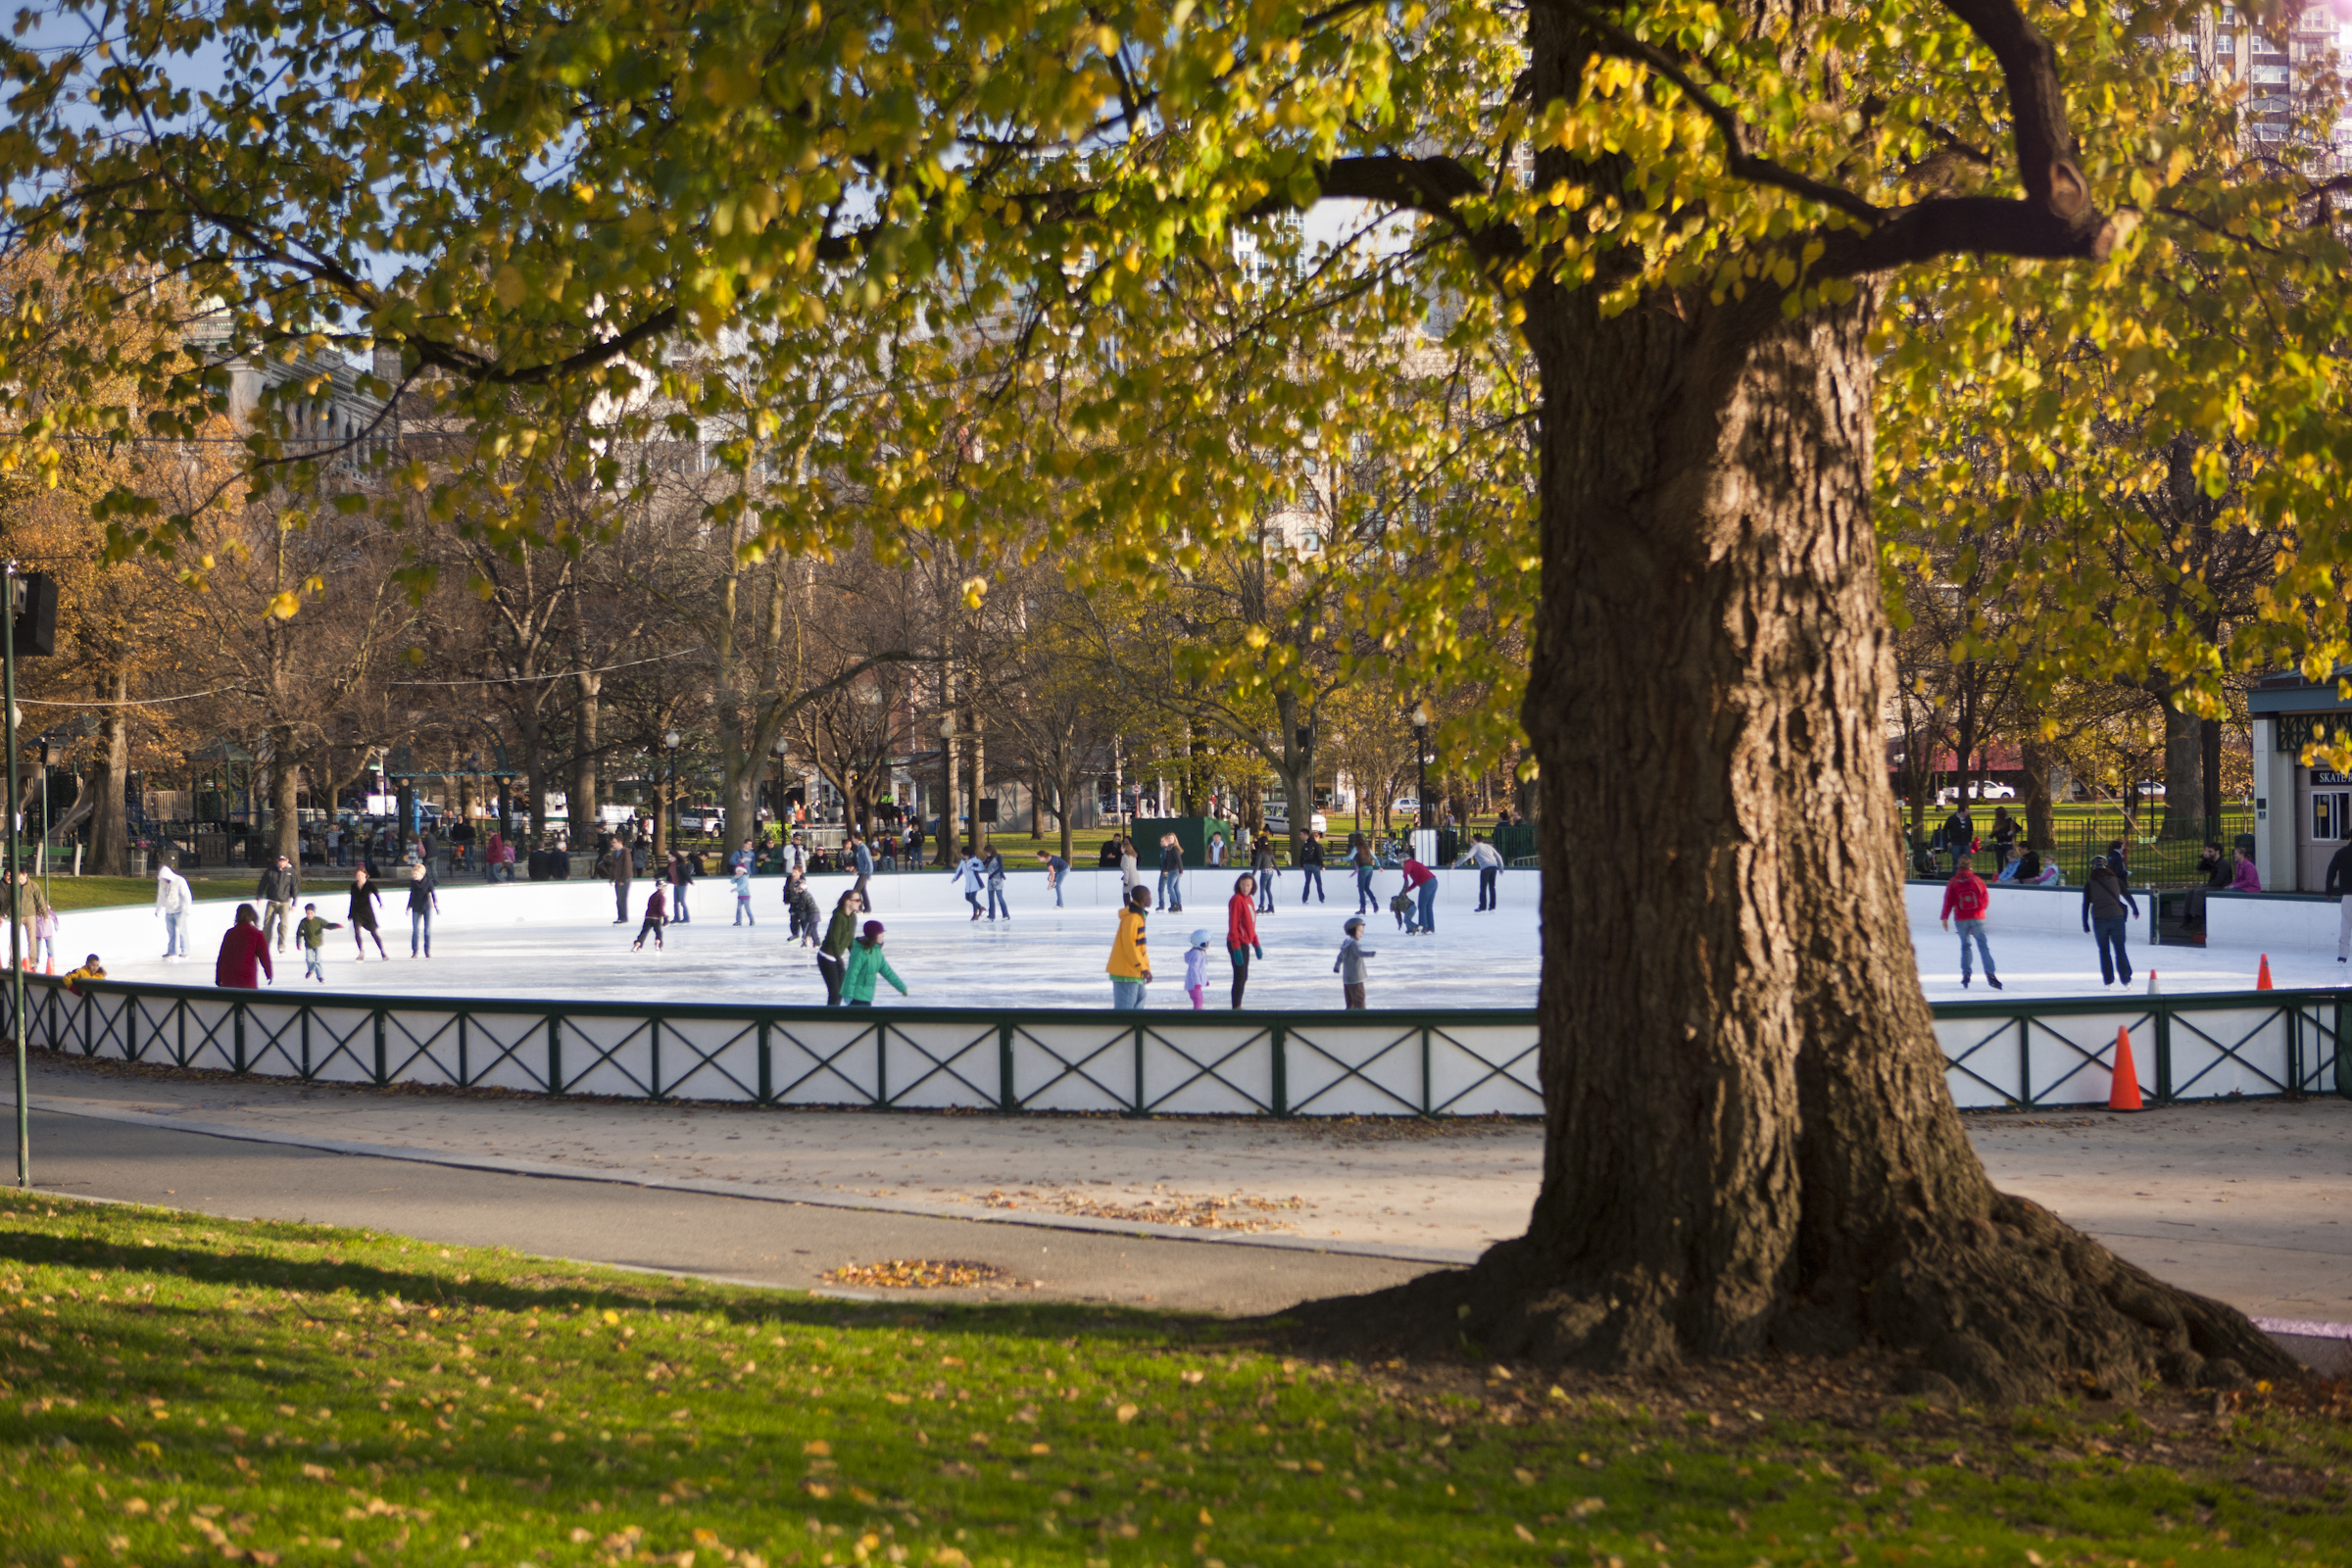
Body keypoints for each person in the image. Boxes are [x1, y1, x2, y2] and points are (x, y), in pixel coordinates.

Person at [1938, 854, 2001, 991]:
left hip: (1961, 918)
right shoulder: (1977, 880)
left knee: (1965, 946)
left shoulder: (1953, 882)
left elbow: (1947, 901)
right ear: (1970, 866)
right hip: (1977, 916)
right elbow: (1985, 899)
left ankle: (1966, 974)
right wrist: (1979, 911)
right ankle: (1990, 974)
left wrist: (1944, 917)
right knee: (1983, 946)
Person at [2082, 855, 2139, 988]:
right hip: (2117, 917)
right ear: (2107, 866)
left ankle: (2108, 981)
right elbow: (2127, 895)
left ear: (2092, 868)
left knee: (2104, 950)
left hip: (2099, 919)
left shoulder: (2090, 884)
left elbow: (2086, 904)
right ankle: (2126, 979)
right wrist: (2135, 909)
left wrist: (2085, 923)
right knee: (2120, 949)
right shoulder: (2115, 880)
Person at [1105, 884, 1152, 1010]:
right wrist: (1142, 967)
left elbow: (1140, 947)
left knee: (1141, 999)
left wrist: (1145, 968)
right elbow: (1129, 944)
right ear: (1143, 898)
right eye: (1149, 896)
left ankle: (1137, 1029)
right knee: (1125, 1011)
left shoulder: (1138, 917)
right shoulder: (1132, 918)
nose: (1151, 899)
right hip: (1126, 972)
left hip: (1134, 971)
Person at [842, 920, 908, 1006]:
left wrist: (902, 988)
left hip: (867, 997)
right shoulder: (860, 952)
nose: (883, 935)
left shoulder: (876, 952)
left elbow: (888, 972)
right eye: (880, 933)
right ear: (874, 935)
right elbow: (851, 974)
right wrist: (848, 993)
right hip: (856, 998)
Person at [818, 889, 862, 1004]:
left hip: (837, 958)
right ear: (848, 901)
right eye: (857, 900)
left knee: (840, 993)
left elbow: (850, 940)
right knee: (835, 992)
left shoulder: (853, 917)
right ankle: (829, 1020)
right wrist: (839, 961)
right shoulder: (838, 917)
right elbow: (834, 940)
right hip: (826, 958)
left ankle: (833, 1018)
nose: (860, 903)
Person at [214, 904, 273, 990]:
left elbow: (222, 957)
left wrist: (218, 977)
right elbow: (264, 956)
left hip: (228, 974)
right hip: (246, 974)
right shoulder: (257, 934)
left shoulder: (230, 933)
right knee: (247, 999)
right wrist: (269, 974)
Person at [1226, 873, 1263, 1008]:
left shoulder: (1249, 900)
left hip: (1245, 943)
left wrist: (1256, 943)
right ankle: (1236, 1007)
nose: (1245, 888)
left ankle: (1238, 1006)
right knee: (1240, 976)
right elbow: (1233, 925)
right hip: (1236, 942)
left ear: (1252, 886)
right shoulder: (1237, 899)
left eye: (1248, 885)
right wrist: (1236, 948)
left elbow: (1250, 925)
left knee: (1244, 976)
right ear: (1238, 885)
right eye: (1243, 885)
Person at [256, 853, 300, 952]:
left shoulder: (292, 872)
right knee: (267, 924)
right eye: (280, 861)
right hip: (272, 901)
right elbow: (263, 883)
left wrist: (294, 903)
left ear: (287, 861)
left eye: (284, 861)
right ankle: (265, 945)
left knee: (283, 925)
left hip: (284, 902)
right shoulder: (271, 871)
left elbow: (295, 888)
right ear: (278, 861)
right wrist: (259, 896)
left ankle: (281, 944)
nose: (282, 863)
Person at [152, 857, 193, 962]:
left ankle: (185, 951)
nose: (165, 880)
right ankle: (171, 951)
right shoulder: (162, 883)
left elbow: (187, 895)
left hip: (179, 911)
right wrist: (159, 909)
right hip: (169, 911)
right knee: (171, 932)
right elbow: (161, 897)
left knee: (182, 932)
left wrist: (188, 908)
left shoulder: (180, 881)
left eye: (166, 878)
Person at [1333, 917, 1377, 1008]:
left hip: (1347, 978)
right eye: (1360, 931)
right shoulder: (1354, 944)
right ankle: (1362, 1020)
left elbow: (1340, 956)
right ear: (1353, 930)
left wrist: (1337, 966)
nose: (1362, 933)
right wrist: (1371, 954)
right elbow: (1359, 953)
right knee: (1360, 1000)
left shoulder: (1346, 943)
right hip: (1356, 977)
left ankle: (1349, 1019)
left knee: (1350, 1002)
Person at [1454, 833, 1503, 911]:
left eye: (1472, 840)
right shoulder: (1488, 846)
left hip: (1486, 867)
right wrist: (1501, 868)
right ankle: (1492, 907)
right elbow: (1498, 856)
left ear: (1474, 839)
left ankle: (1482, 907)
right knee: (1492, 887)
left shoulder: (1476, 847)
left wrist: (1456, 864)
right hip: (1494, 866)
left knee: (1483, 887)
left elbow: (1467, 856)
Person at [295, 903, 342, 983]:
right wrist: (299, 943)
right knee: (309, 960)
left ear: (314, 913)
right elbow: (299, 934)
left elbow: (328, 925)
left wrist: (336, 925)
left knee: (318, 960)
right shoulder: (303, 922)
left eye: (311, 913)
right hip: (309, 944)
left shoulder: (318, 921)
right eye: (308, 913)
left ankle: (320, 976)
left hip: (318, 944)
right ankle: (311, 970)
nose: (309, 915)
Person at [347, 866, 387, 959]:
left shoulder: (370, 885)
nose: (360, 877)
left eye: (361, 875)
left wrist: (380, 903)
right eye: (358, 875)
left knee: (374, 932)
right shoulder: (354, 886)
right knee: (357, 931)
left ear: (366, 875)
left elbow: (376, 894)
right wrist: (350, 913)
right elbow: (352, 900)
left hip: (367, 911)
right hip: (357, 912)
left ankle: (382, 952)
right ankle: (361, 952)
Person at [407, 859, 440, 957]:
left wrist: (436, 903)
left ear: (422, 873)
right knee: (415, 931)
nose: (414, 875)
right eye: (413, 874)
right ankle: (415, 951)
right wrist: (408, 907)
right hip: (416, 908)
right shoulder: (413, 883)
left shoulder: (429, 882)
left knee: (427, 931)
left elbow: (433, 893)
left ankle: (427, 951)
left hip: (426, 908)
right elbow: (411, 895)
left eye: (415, 874)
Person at [1399, 853, 1438, 935]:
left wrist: (1405, 879)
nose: (1400, 864)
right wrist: (1407, 890)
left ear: (1404, 861)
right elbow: (1416, 882)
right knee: (1428, 906)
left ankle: (1423, 927)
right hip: (1433, 882)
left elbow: (1406, 871)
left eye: (1400, 862)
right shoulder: (1414, 864)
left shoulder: (1409, 863)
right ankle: (1430, 927)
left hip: (1427, 883)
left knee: (1422, 906)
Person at [598, 834, 633, 923]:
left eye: (614, 842)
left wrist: (623, 879)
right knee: (618, 899)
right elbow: (613, 866)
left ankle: (624, 918)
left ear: (620, 842)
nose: (612, 844)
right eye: (612, 842)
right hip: (618, 879)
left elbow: (627, 866)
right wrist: (612, 877)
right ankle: (620, 917)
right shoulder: (615, 853)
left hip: (624, 879)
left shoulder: (626, 852)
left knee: (622, 899)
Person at [951, 850, 986, 920]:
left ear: (968, 855)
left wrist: (973, 868)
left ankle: (975, 914)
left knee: (973, 898)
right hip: (969, 883)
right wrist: (955, 878)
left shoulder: (974, 860)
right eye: (963, 855)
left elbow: (981, 867)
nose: (963, 856)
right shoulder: (963, 862)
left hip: (975, 882)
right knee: (967, 897)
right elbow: (959, 870)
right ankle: (980, 907)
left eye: (965, 855)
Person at [631, 885, 668, 952]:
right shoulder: (662, 897)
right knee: (658, 932)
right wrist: (665, 917)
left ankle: (637, 944)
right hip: (656, 918)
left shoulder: (652, 896)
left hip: (648, 917)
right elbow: (660, 909)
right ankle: (658, 945)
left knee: (644, 932)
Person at [1155, 832, 1185, 912]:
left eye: (1171, 838)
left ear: (1174, 839)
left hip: (1174, 870)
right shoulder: (1169, 848)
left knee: (1170, 887)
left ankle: (1175, 904)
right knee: (1176, 888)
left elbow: (1179, 860)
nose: (1170, 840)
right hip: (1173, 870)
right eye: (1168, 838)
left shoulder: (1174, 848)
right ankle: (1179, 905)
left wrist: (1181, 870)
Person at [1183, 929, 1211, 1009]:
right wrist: (1197, 983)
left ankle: (1197, 1017)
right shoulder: (1197, 954)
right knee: (1198, 1001)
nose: (1210, 943)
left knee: (1200, 1001)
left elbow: (1200, 970)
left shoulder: (1198, 953)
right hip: (1194, 984)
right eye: (1209, 942)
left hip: (1195, 984)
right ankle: (1196, 1018)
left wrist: (1205, 980)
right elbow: (1194, 969)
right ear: (1202, 942)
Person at [1350, 833, 1378, 914]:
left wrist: (1340, 859)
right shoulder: (1367, 848)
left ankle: (1363, 908)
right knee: (1366, 888)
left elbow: (1350, 857)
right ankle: (1374, 903)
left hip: (1363, 869)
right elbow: (1374, 857)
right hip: (1370, 869)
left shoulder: (1356, 848)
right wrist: (1379, 866)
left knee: (1361, 889)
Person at [666, 848, 696, 924]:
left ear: (675, 856)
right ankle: (676, 918)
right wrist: (656, 876)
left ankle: (686, 918)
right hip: (676, 885)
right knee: (675, 902)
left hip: (682, 885)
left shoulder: (680, 864)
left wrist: (690, 881)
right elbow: (665, 871)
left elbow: (685, 874)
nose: (669, 858)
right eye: (669, 857)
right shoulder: (670, 864)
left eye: (671, 857)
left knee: (682, 902)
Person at [1251, 834, 1277, 914]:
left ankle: (1262, 906)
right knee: (1268, 890)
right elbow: (1274, 862)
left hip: (1265, 872)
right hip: (1271, 872)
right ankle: (1271, 906)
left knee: (1262, 890)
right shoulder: (1270, 851)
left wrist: (1253, 874)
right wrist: (1279, 872)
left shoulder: (1261, 851)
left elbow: (1257, 863)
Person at [1299, 830, 1326, 905]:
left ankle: (1305, 898)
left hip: (1306, 865)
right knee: (1318, 882)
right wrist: (1322, 865)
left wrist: (1301, 865)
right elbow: (1319, 857)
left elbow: (1301, 856)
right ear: (1316, 837)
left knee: (1307, 882)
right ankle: (1321, 898)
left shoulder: (1305, 845)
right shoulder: (1317, 845)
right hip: (1315, 865)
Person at [984, 846, 1010, 921]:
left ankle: (1006, 915)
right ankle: (991, 916)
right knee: (990, 899)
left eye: (986, 852)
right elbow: (984, 864)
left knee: (1000, 898)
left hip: (997, 879)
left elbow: (1000, 867)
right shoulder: (988, 858)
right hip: (990, 880)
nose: (986, 854)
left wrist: (993, 874)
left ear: (990, 851)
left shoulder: (998, 856)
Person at [850, 830, 874, 908]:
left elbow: (869, 862)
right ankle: (867, 908)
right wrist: (856, 869)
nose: (852, 840)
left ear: (857, 839)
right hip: (862, 872)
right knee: (863, 891)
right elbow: (860, 862)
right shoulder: (859, 848)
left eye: (853, 838)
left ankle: (859, 908)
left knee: (856, 890)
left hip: (864, 873)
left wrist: (869, 874)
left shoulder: (864, 848)